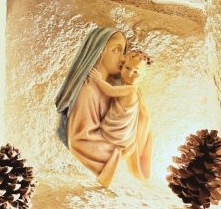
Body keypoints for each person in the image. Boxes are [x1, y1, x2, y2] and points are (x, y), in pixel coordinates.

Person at [54, 27, 153, 188]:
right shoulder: (88, 91)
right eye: (116, 50)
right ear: (98, 52)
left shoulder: (116, 85)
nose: (122, 60)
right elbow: (79, 140)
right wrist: (119, 153)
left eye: (124, 53)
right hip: (115, 148)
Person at [90, 50, 153, 182]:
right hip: (118, 124)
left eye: (136, 72)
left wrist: (98, 80)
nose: (129, 73)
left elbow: (111, 91)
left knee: (102, 143)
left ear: (142, 76)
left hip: (118, 132)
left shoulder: (131, 89)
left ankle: (106, 173)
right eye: (127, 68)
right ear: (122, 67)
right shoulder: (127, 86)